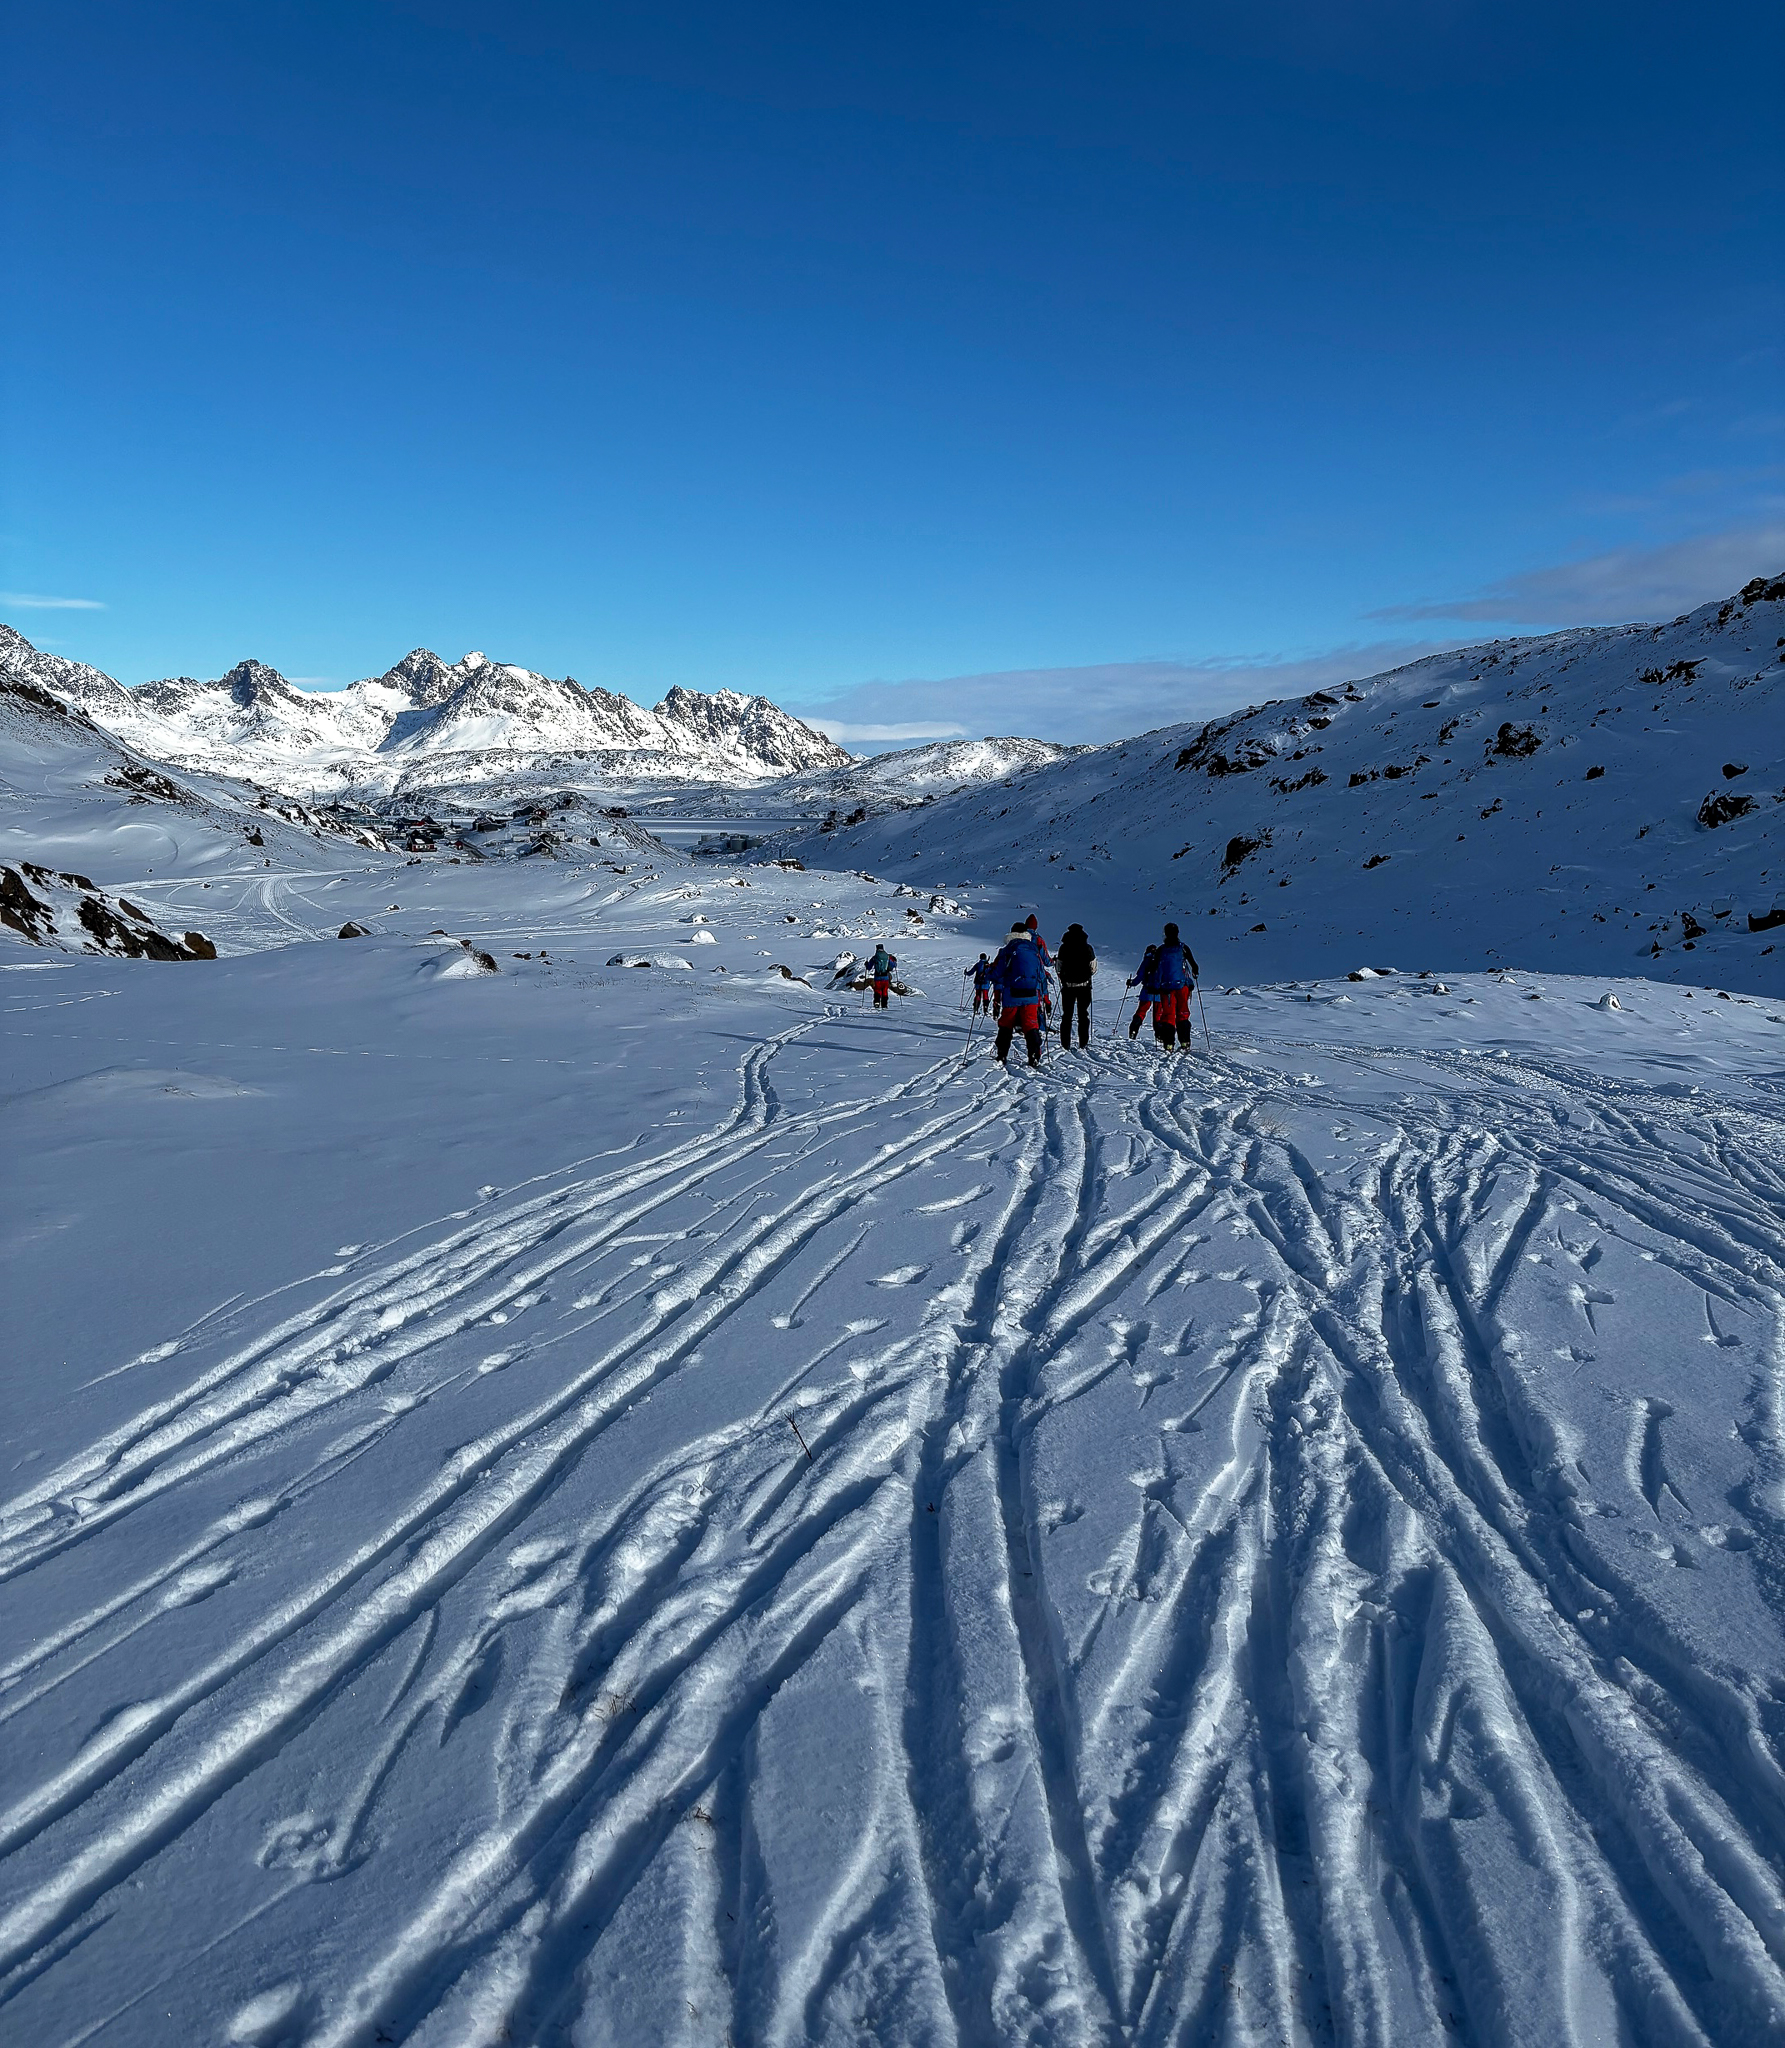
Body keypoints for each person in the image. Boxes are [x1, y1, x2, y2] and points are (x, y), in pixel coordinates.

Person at [990, 921, 1047, 1067]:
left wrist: (988, 974)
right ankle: (1034, 1054)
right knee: (1031, 1024)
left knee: (1006, 1023)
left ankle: (1002, 1054)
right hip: (1031, 994)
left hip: (1012, 994)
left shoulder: (1007, 950)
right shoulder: (1034, 950)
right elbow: (1041, 974)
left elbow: (997, 972)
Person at [1151, 922, 1200, 1048]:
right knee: (1183, 1013)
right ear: (1177, 933)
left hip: (1166, 988)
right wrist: (1194, 975)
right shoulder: (1183, 948)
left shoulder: (1161, 950)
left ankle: (1168, 1044)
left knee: (1168, 1015)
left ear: (1165, 934)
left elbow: (1154, 968)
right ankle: (1185, 1041)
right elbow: (1194, 966)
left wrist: (1154, 985)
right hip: (1182, 986)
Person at [1055, 922, 1095, 1048]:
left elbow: (1058, 967)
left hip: (1068, 986)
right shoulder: (1088, 948)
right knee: (1083, 1015)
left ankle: (1065, 1043)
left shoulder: (1063, 948)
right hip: (1084, 986)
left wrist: (1063, 976)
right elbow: (1093, 968)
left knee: (1067, 1016)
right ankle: (1083, 1042)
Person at [1126, 943, 1160, 1040]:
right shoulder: (1161, 960)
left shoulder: (1146, 960)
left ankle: (1133, 1031)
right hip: (1160, 992)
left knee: (1141, 1011)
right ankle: (1159, 1035)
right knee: (1158, 1014)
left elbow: (1140, 976)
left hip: (1147, 990)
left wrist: (1131, 983)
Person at [869, 942, 897, 1009]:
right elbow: (893, 965)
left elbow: (869, 967)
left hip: (877, 977)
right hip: (885, 977)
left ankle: (877, 1002)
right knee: (884, 990)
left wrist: (866, 964)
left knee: (877, 989)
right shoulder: (887, 957)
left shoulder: (875, 957)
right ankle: (884, 1004)